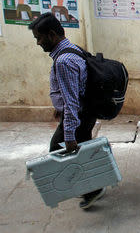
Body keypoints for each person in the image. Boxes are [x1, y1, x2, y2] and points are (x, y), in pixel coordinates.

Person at [29, 12, 105, 209]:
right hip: (85, 113)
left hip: (77, 116)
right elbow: (74, 89)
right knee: (83, 150)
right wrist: (60, 108)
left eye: (39, 37)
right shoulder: (72, 48)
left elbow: (71, 100)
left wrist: (69, 134)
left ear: (52, 34)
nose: (38, 42)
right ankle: (96, 183)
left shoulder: (64, 61)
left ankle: (92, 189)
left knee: (59, 150)